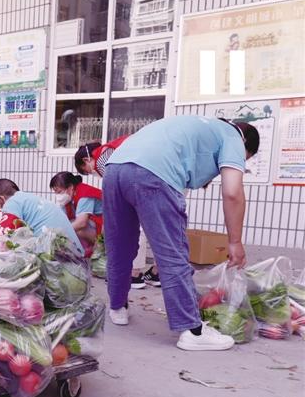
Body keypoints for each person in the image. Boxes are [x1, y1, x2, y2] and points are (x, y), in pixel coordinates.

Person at [103, 115, 259, 351]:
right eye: (243, 160)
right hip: (152, 174)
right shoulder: (233, 138)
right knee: (172, 254)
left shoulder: (200, 125)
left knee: (119, 245)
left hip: (114, 169)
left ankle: (117, 308)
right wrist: (235, 242)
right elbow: (232, 191)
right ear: (245, 144)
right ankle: (192, 331)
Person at [74, 139, 160, 288]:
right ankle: (158, 272)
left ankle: (134, 274)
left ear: (87, 160)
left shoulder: (103, 161)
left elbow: (117, 189)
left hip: (148, 182)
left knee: (135, 227)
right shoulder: (112, 151)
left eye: (87, 170)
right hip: (163, 175)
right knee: (159, 227)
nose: (92, 173)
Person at [0, 178, 83, 252]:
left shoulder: (11, 202)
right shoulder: (29, 198)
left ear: (0, 199)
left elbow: (3, 240)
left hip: (61, 260)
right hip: (76, 254)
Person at [49, 172, 103, 254]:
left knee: (77, 229)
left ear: (70, 187)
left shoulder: (84, 193)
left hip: (109, 227)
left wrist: (59, 233)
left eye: (59, 192)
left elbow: (81, 223)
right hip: (99, 225)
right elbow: (63, 220)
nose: (58, 196)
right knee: (69, 226)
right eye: (55, 193)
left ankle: (101, 246)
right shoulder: (69, 199)